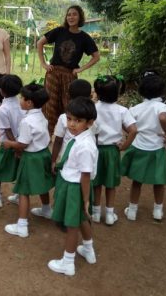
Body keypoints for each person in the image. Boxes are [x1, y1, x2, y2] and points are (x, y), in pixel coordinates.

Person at [48, 97, 97, 276]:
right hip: (74, 185)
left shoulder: (85, 146)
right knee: (81, 219)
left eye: (78, 120)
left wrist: (85, 200)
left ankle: (68, 262)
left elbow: (85, 175)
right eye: (69, 119)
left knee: (72, 225)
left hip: (75, 188)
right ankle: (89, 250)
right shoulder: (80, 138)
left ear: (89, 123)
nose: (72, 124)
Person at [33, 79, 94, 220]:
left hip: (68, 160)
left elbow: (58, 139)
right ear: (90, 95)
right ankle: (82, 212)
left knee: (66, 186)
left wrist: (53, 160)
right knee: (80, 186)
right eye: (70, 120)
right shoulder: (90, 116)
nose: (72, 123)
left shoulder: (63, 117)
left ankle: (66, 215)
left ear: (68, 94)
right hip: (84, 159)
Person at [37, 5, 100, 135]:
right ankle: (47, 135)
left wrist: (80, 69)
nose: (71, 17)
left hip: (70, 75)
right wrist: (44, 63)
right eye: (69, 14)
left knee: (69, 105)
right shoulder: (59, 31)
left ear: (80, 17)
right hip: (53, 73)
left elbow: (96, 56)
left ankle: (67, 136)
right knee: (50, 104)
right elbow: (40, 43)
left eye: (74, 14)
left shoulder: (84, 37)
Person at [3, 83, 53, 238]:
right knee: (43, 183)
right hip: (43, 154)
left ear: (29, 102)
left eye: (22, 98)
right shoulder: (41, 116)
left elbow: (22, 144)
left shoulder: (27, 121)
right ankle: (46, 209)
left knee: (23, 190)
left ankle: (22, 225)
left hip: (31, 158)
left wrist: (9, 143)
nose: (20, 100)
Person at [120, 72, 166, 221]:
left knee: (137, 181)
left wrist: (130, 134)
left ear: (141, 91)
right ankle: (157, 211)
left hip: (139, 147)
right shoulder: (162, 106)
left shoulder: (135, 108)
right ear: (162, 91)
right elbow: (163, 118)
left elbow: (126, 126)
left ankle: (132, 211)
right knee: (159, 181)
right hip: (157, 148)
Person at [92, 75, 137, 226]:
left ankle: (96, 213)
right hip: (112, 151)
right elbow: (133, 130)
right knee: (110, 184)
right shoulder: (122, 111)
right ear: (118, 92)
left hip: (96, 150)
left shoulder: (93, 108)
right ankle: (110, 214)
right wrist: (125, 146)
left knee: (96, 182)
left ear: (97, 93)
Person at [0, 74, 24, 212]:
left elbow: (7, 129)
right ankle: (18, 195)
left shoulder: (2, 109)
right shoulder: (22, 104)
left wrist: (15, 147)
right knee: (19, 170)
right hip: (22, 143)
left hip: (8, 144)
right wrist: (19, 147)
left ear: (1, 91)